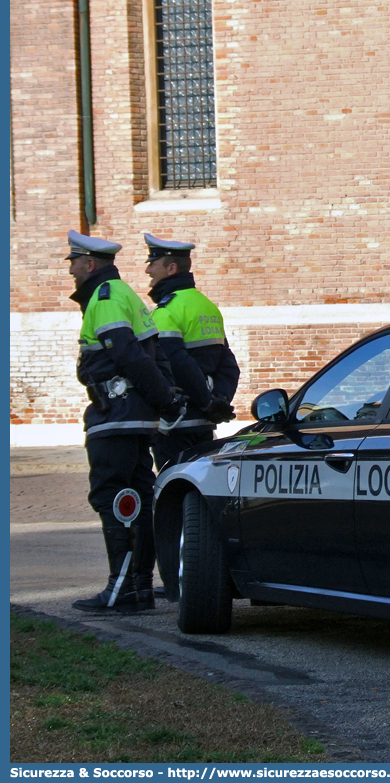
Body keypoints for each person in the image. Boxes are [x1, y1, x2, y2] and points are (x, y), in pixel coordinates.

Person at [66, 230, 183, 614]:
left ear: (89, 264)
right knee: (137, 499)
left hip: (114, 417)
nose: (71, 274)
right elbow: (159, 356)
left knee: (111, 497)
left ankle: (121, 590)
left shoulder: (105, 299)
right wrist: (163, 400)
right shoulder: (128, 295)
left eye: (74, 265)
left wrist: (164, 400)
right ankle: (138, 589)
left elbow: (131, 357)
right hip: (134, 418)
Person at [143, 233, 240, 474]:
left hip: (175, 424)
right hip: (204, 424)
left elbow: (176, 362)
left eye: (153, 264)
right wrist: (219, 400)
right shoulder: (208, 307)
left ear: (171, 268)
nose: (148, 271)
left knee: (172, 487)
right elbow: (228, 365)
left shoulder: (166, 311)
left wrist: (207, 402)